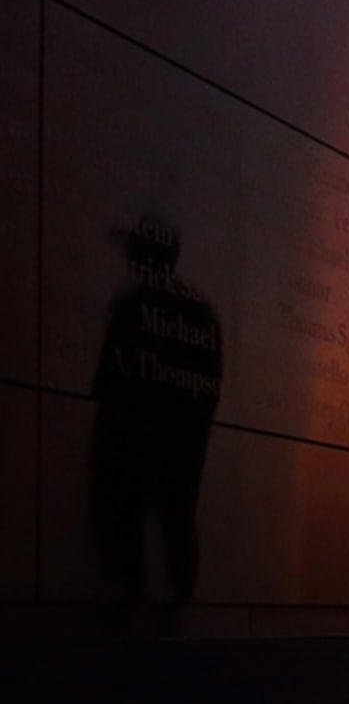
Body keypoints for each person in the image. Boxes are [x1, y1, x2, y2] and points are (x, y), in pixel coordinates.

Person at [90, 217, 223, 627]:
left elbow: (109, 378)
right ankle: (175, 602)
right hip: (184, 434)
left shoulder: (133, 306)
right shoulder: (202, 313)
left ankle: (132, 594)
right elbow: (211, 385)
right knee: (177, 515)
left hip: (133, 428)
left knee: (126, 510)